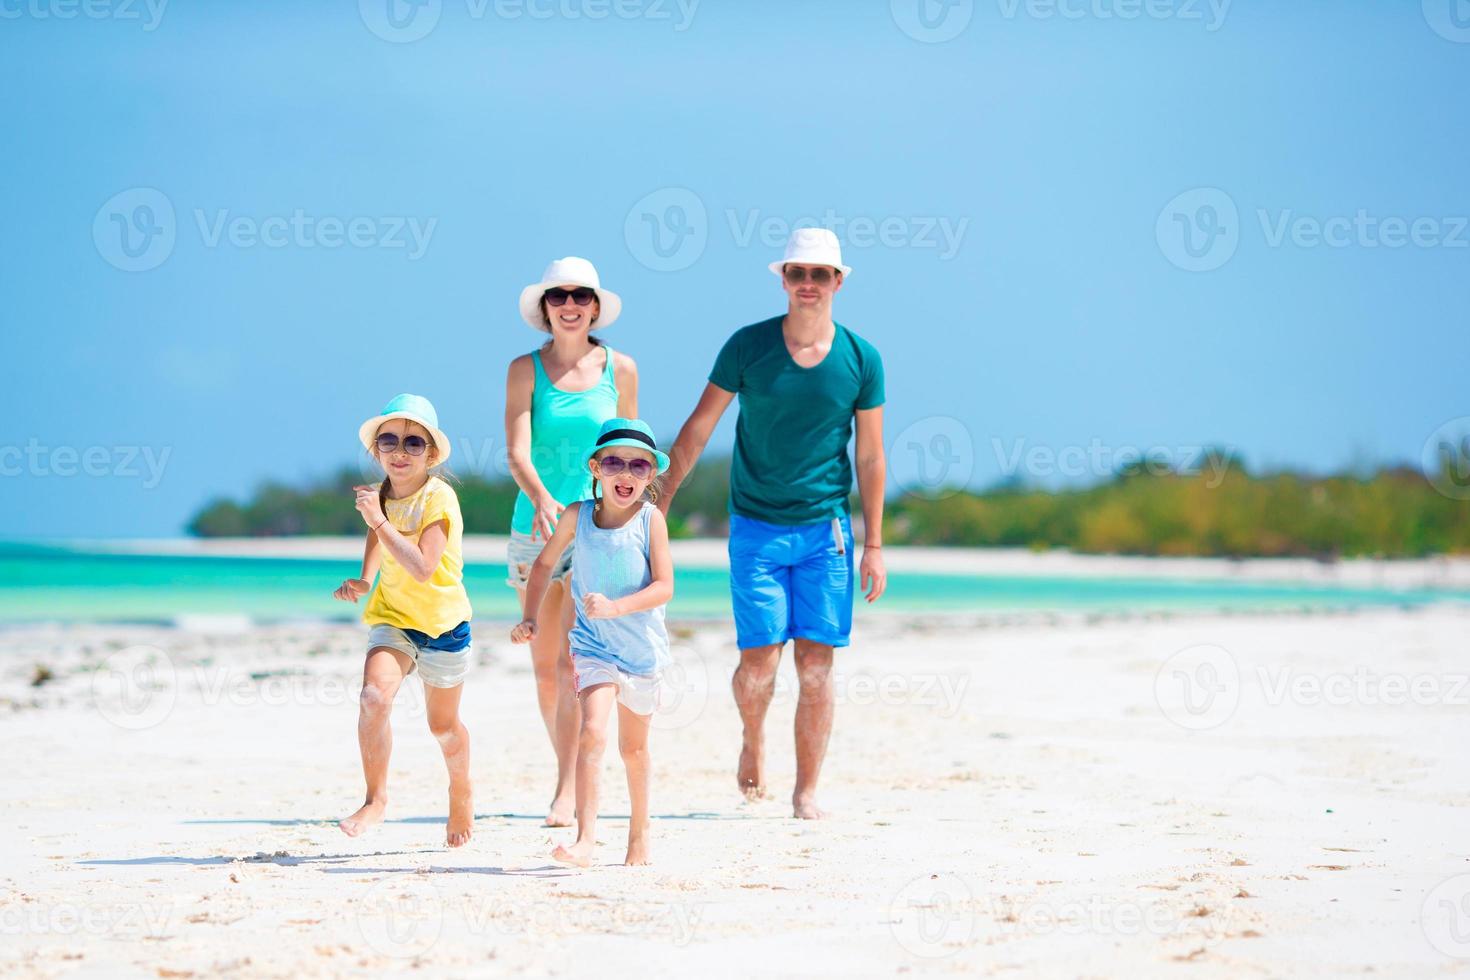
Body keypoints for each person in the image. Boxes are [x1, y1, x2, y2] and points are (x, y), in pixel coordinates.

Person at [660, 227, 887, 820]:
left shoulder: (862, 359)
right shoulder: (748, 347)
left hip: (826, 530)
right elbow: (700, 425)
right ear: (783, 279)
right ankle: (752, 736)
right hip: (756, 526)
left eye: (819, 274)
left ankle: (806, 790)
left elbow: (869, 455)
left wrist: (876, 543)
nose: (808, 284)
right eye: (797, 273)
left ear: (838, 282)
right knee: (759, 663)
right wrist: (660, 501)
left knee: (816, 664)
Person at [504, 256, 639, 827]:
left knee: (576, 665)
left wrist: (630, 518)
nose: (569, 305)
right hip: (534, 529)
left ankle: (568, 788)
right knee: (545, 666)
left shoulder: (621, 369)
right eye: (558, 296)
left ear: (593, 306)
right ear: (544, 307)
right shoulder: (523, 369)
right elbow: (515, 449)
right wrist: (539, 496)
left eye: (579, 296)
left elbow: (632, 449)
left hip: (594, 530)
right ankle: (564, 773)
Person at [512, 418, 673, 866]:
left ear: (650, 475)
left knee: (633, 749)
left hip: (640, 650)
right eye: (615, 463)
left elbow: (664, 587)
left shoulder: (650, 520)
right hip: (592, 645)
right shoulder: (576, 516)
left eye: (639, 466)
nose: (627, 473)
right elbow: (543, 566)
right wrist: (530, 617)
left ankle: (639, 835)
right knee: (592, 732)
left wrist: (617, 608)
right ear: (596, 468)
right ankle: (585, 839)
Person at [333, 393, 475, 847]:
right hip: (394, 619)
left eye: (413, 443)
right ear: (376, 450)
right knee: (374, 697)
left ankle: (461, 789)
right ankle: (376, 799)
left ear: (430, 453)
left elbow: (422, 567)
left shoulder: (440, 497)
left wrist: (378, 523)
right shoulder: (380, 497)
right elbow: (378, 543)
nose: (399, 450)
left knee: (444, 728)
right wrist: (365, 579)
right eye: (389, 440)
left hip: (444, 626)